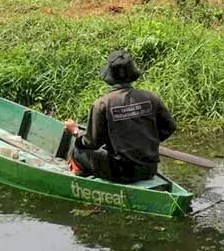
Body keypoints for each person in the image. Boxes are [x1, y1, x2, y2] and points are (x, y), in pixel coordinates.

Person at [64, 50, 176, 183]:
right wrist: (148, 142)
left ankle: (82, 185)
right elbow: (170, 127)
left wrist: (75, 131)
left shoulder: (103, 104)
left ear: (110, 76)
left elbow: (92, 143)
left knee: (77, 151)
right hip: (149, 169)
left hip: (120, 171)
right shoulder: (151, 98)